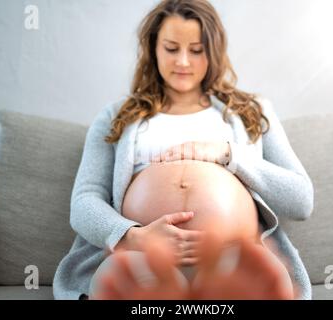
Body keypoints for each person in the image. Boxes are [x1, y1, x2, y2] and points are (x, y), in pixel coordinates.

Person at [53, 0, 314, 300]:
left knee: (263, 281)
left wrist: (229, 155)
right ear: (153, 48)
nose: (184, 62)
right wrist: (133, 236)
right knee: (118, 282)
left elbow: (301, 199)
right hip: (144, 258)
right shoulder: (116, 117)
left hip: (234, 257)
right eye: (172, 48)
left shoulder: (252, 111)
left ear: (213, 51)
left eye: (197, 49)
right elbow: (84, 201)